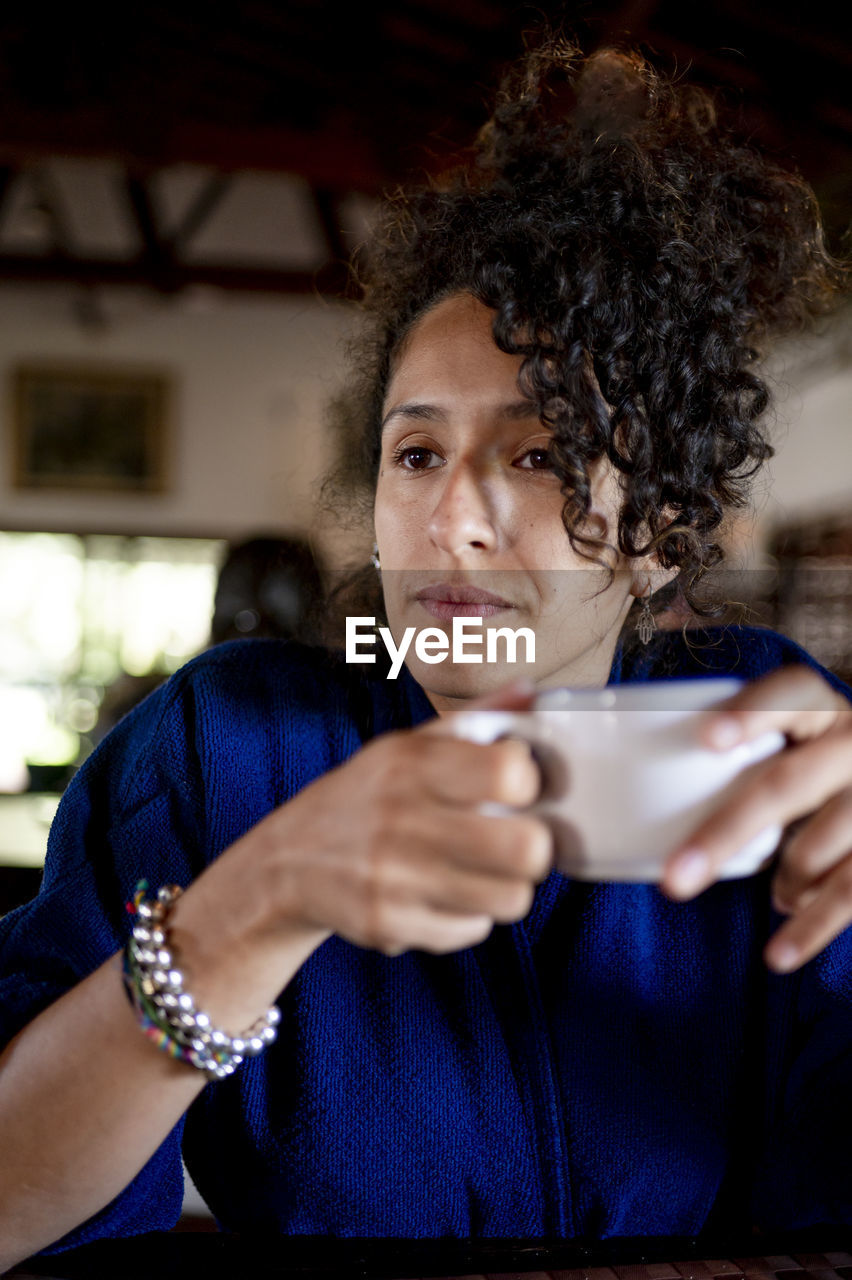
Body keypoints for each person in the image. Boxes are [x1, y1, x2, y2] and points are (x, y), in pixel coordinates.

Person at [1, 38, 851, 1270]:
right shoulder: (220, 748)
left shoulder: (770, 739)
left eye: (542, 452)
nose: (451, 515)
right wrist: (252, 906)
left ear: (663, 532)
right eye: (415, 452)